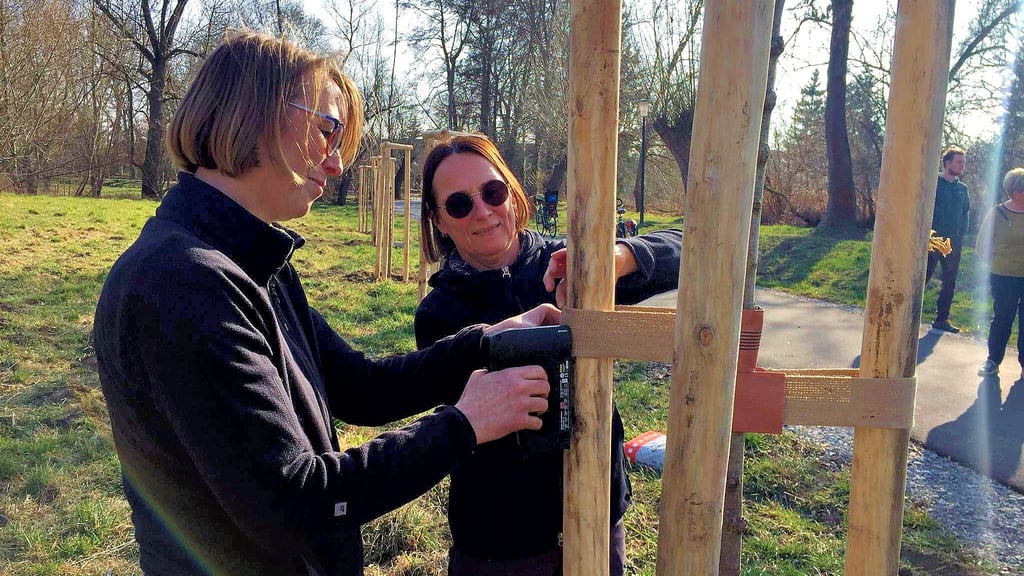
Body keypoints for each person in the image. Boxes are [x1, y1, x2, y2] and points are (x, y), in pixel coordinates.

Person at [93, 33, 561, 576]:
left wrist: (488, 342)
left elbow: (361, 387)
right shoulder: (182, 282)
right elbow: (291, 503)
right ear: (256, 110)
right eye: (326, 131)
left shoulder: (248, 260)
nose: (336, 164)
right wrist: (464, 425)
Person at [415, 133, 683, 576]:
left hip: (596, 514)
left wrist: (615, 259)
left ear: (512, 193)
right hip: (501, 540)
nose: (482, 211)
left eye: (492, 191)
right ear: (439, 221)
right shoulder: (439, 315)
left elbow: (684, 250)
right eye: (459, 204)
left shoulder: (568, 263)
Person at [976, 168, 1024, 377]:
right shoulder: (998, 214)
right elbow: (982, 245)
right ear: (1014, 192)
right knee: (1003, 317)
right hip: (1003, 276)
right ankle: (993, 360)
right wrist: (996, 263)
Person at [926, 146, 971, 333]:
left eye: (963, 162)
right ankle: (909, 313)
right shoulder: (934, 183)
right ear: (947, 163)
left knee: (950, 280)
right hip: (933, 238)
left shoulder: (962, 189)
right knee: (923, 276)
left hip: (953, 241)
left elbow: (965, 213)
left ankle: (942, 319)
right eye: (959, 162)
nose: (962, 166)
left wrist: (961, 233)